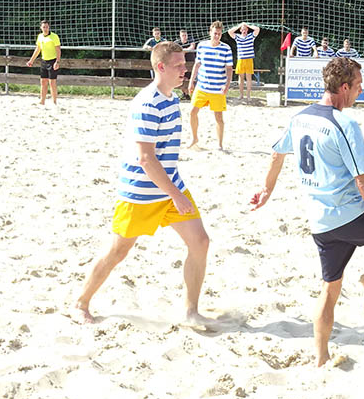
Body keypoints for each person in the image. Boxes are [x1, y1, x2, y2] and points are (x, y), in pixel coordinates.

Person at [251, 57, 364, 367]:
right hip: (350, 215)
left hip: (319, 222)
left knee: (330, 288)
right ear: (344, 87)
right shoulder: (345, 124)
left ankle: (321, 357)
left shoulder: (300, 118)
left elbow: (277, 154)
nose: (360, 90)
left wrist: (266, 190)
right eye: (357, 86)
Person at [75, 41, 213, 328]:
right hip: (140, 192)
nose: (184, 70)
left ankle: (191, 311)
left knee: (200, 242)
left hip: (169, 186)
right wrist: (177, 195)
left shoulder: (172, 98)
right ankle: (80, 303)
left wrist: (175, 192)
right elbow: (146, 159)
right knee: (118, 251)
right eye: (178, 65)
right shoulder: (148, 103)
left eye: (184, 65)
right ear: (160, 67)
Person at [188, 21, 233, 150]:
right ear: (210, 32)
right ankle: (194, 138)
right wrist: (191, 82)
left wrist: (227, 85)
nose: (217, 36)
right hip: (202, 86)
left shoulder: (226, 48)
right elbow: (197, 65)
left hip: (218, 88)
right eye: (215, 33)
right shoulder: (202, 46)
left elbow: (229, 69)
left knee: (218, 117)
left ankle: (219, 144)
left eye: (219, 34)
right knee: (192, 112)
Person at [26, 20, 61, 105]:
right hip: (44, 61)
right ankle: (42, 101)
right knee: (43, 81)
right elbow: (38, 49)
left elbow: (58, 50)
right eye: (44, 27)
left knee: (52, 82)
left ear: (49, 27)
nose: (45, 28)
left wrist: (57, 62)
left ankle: (54, 102)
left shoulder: (54, 36)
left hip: (52, 61)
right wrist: (31, 60)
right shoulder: (40, 37)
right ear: (41, 28)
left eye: (47, 27)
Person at [228, 21, 261, 103]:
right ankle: (241, 95)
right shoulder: (237, 37)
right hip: (241, 59)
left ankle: (248, 96)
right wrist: (240, 25)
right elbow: (230, 31)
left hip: (249, 59)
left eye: (245, 29)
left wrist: (247, 24)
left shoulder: (251, 36)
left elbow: (257, 29)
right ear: (240, 30)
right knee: (241, 78)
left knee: (249, 78)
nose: (244, 30)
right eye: (242, 29)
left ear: (247, 30)